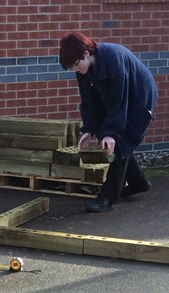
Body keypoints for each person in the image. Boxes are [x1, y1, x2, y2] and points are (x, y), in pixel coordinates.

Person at [59, 31, 158, 213]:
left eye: (75, 64)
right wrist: (89, 129)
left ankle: (107, 198)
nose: (75, 69)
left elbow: (120, 100)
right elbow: (88, 101)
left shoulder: (114, 59)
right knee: (116, 141)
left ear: (86, 54)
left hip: (139, 98)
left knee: (120, 142)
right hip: (118, 98)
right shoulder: (84, 69)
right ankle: (138, 182)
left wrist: (111, 133)